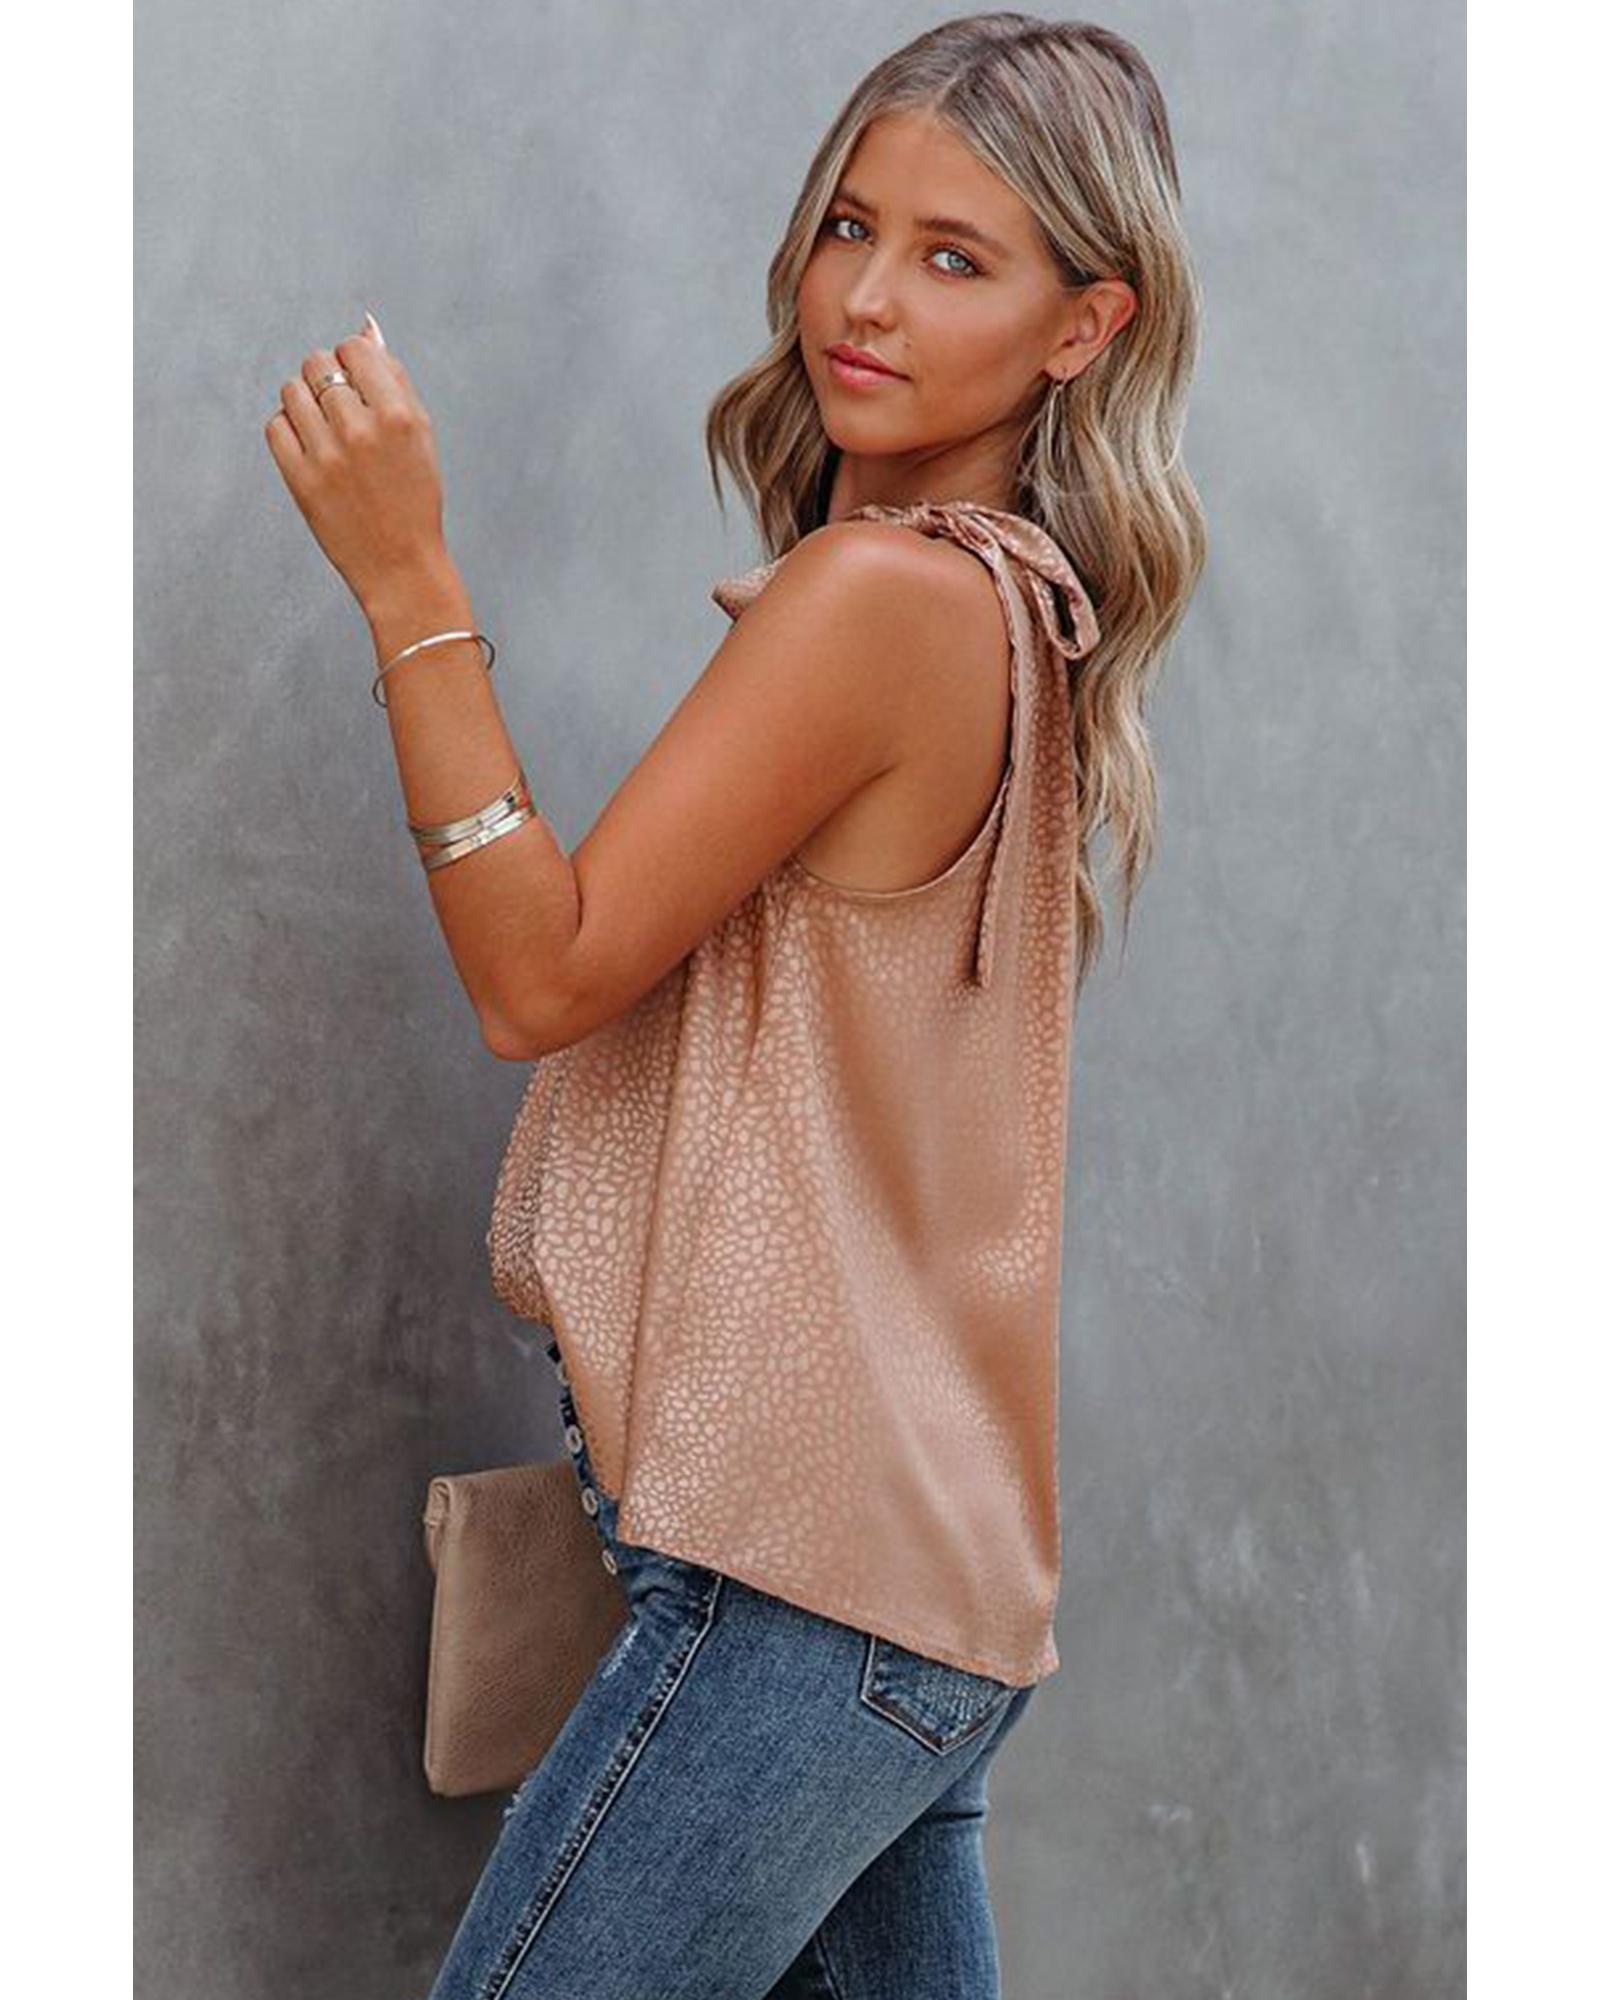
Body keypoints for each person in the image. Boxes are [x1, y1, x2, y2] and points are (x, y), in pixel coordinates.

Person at [264, 14, 1205, 1995]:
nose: (864, 298)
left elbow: (540, 972)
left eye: (955, 256)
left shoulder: (886, 606)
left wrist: (407, 578)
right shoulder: (1001, 608)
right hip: (909, 1611)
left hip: (802, 1599)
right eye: (851, 225)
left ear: (1083, 324)